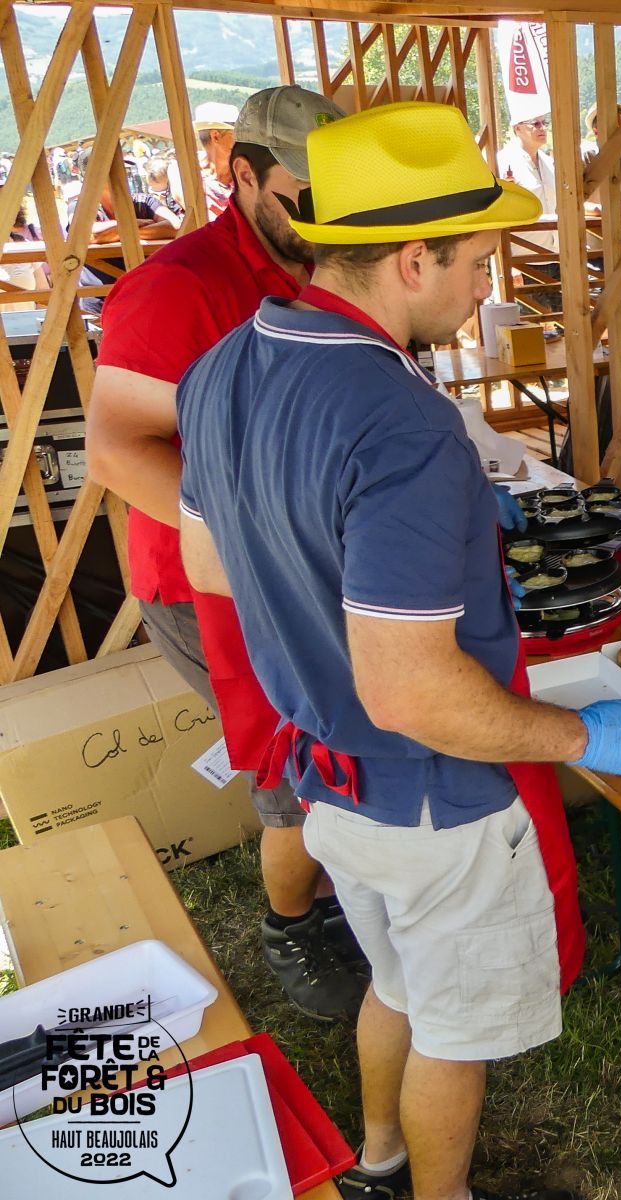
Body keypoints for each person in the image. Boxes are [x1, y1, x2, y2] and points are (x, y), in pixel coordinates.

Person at [174, 101, 621, 1200]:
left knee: (395, 983)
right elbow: (411, 692)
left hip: (328, 780)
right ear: (413, 260)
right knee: (454, 1032)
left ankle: (379, 1163)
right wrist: (583, 735)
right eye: (478, 263)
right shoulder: (404, 421)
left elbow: (212, 566)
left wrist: (343, 606)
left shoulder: (223, 367)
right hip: (434, 799)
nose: (485, 288)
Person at [85, 87, 368, 1024]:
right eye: (303, 195)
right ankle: (292, 924)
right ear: (241, 175)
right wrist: (251, 541)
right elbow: (116, 450)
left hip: (304, 565)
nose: (322, 217)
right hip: (206, 580)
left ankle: (341, 892)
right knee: (290, 756)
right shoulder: (179, 286)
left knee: (332, 737)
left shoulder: (322, 264)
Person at [499, 112, 557, 253]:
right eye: (536, 124)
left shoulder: (549, 162)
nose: (543, 128)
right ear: (517, 128)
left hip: (556, 252)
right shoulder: (502, 161)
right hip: (521, 255)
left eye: (544, 123)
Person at [193, 101, 239, 218]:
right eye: (237, 134)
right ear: (216, 136)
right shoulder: (187, 173)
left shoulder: (245, 171)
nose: (242, 140)